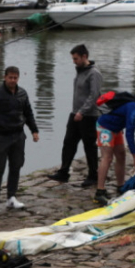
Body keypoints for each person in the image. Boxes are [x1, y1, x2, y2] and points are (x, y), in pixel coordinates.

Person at [0, 66, 40, 214]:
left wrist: (34, 130)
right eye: (10, 77)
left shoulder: (22, 93)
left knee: (16, 166)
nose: (12, 80)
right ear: (4, 77)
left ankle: (11, 197)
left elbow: (28, 113)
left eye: (15, 78)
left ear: (18, 78)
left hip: (18, 135)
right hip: (1, 136)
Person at [48, 44, 101, 187]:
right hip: (75, 114)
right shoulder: (80, 71)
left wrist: (82, 112)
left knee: (89, 146)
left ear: (85, 56)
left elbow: (94, 95)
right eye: (73, 58)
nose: (74, 61)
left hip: (88, 116)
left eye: (76, 58)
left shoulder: (94, 73)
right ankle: (64, 172)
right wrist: (76, 112)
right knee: (68, 143)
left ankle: (93, 175)